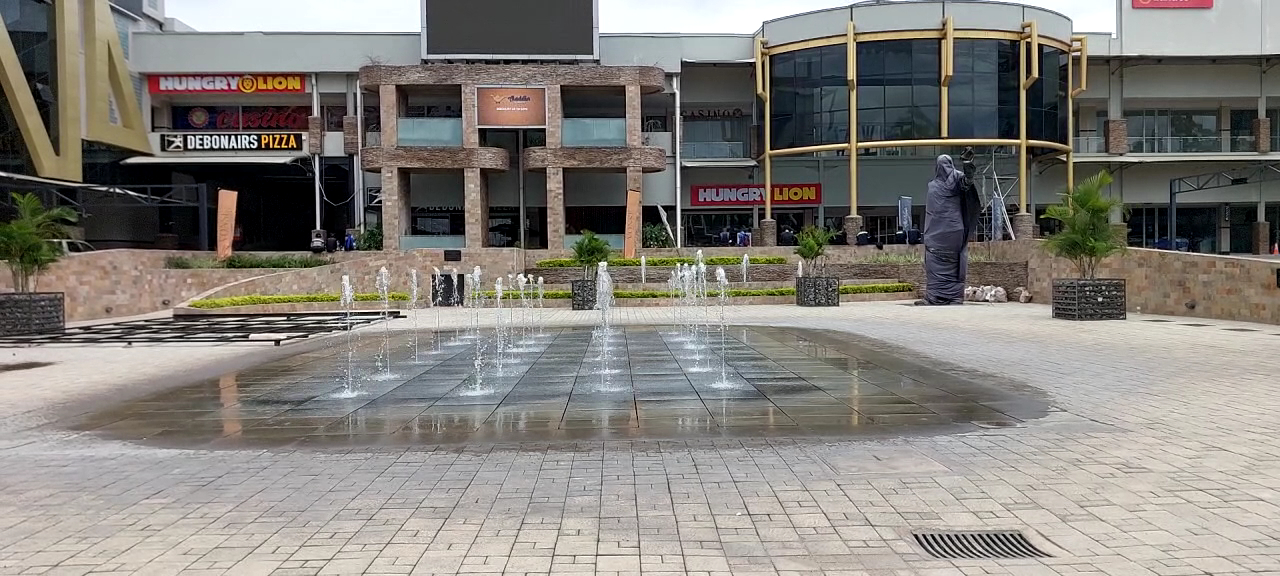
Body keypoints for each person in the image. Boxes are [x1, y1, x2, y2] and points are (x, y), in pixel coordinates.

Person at [917, 149, 980, 305]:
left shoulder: (953, 180)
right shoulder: (948, 181)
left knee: (937, 261)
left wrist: (967, 164)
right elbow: (968, 180)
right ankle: (950, 297)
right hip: (949, 232)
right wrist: (967, 164)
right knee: (942, 261)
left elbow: (968, 180)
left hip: (941, 233)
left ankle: (937, 297)